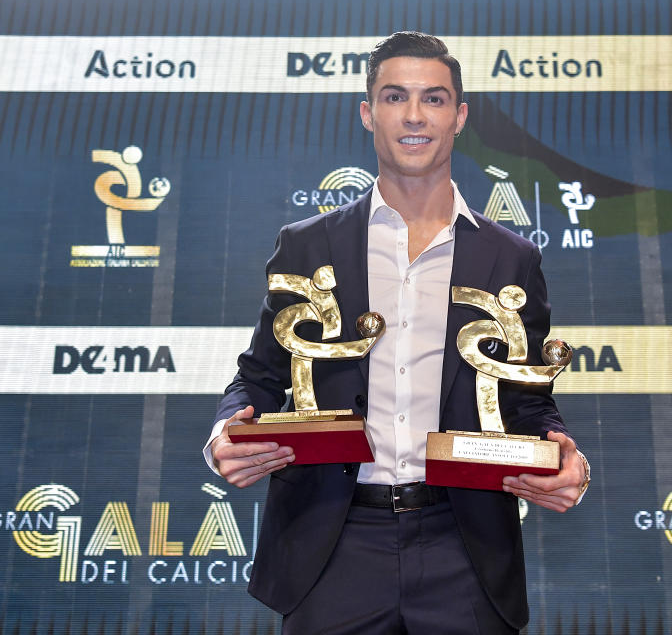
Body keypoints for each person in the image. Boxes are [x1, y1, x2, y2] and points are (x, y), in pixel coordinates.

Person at [204, 31, 589, 634]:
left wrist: (564, 452)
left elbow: (525, 399)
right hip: (332, 545)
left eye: (433, 99)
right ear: (368, 113)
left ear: (459, 117)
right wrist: (229, 429)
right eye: (394, 97)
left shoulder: (512, 259)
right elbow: (259, 376)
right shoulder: (307, 244)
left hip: (463, 546)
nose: (414, 115)